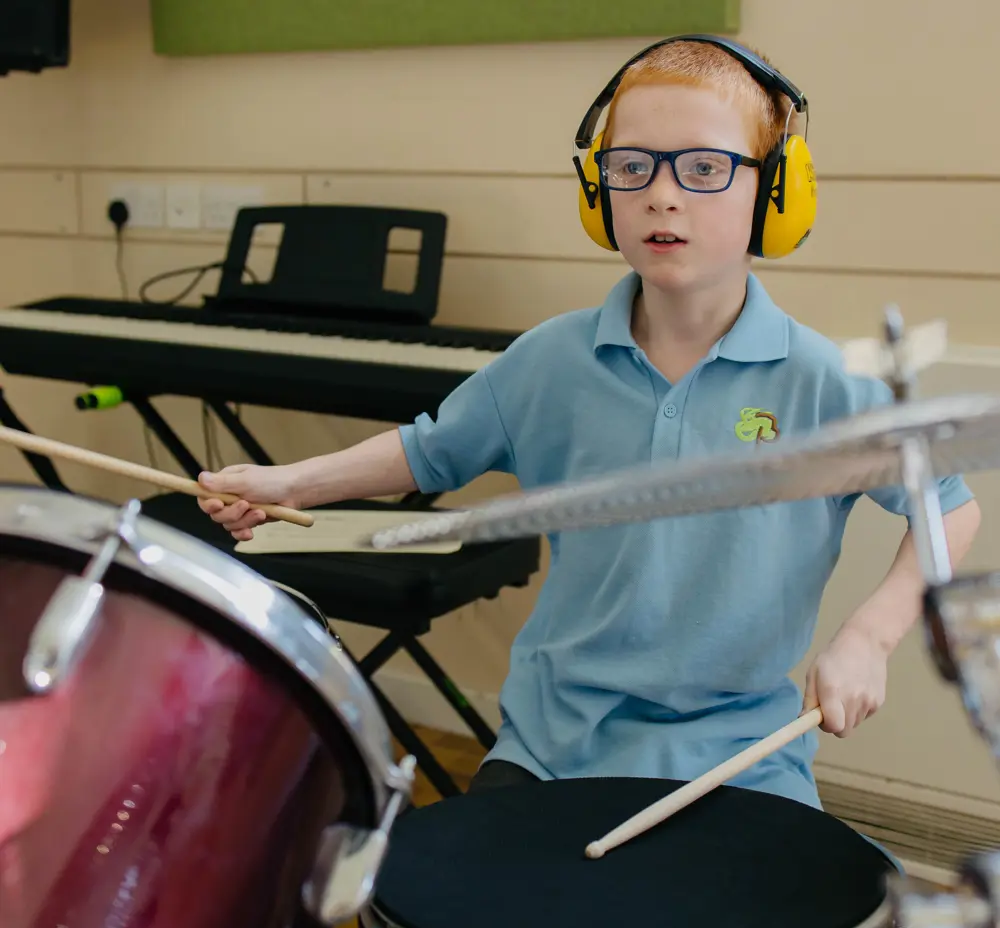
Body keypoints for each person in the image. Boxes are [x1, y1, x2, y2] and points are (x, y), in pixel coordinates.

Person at [197, 36, 981, 813]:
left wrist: (871, 637)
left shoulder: (824, 383)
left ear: (774, 193)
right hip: (552, 746)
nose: (661, 196)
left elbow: (949, 505)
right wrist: (286, 483)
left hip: (742, 755)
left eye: (705, 168)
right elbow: (428, 450)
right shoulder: (550, 361)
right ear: (597, 189)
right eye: (631, 166)